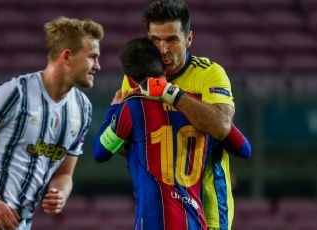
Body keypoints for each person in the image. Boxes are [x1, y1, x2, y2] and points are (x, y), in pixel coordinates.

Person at [0, 16, 103, 230]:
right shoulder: (13, 93)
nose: (98, 66)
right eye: (92, 57)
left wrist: (61, 193)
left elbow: (65, 174)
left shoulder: (82, 108)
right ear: (67, 55)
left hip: (18, 224)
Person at [94, 37, 250, 230]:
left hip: (153, 222)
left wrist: (113, 110)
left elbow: (99, 153)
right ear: (164, 69)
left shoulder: (132, 107)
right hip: (195, 221)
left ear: (130, 79)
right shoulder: (198, 108)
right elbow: (245, 149)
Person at [120, 1, 247, 229]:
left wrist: (171, 94)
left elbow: (221, 126)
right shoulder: (135, 78)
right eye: (155, 40)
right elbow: (125, 143)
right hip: (161, 210)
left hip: (209, 210)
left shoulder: (209, 74)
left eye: (171, 40)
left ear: (188, 39)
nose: (163, 49)